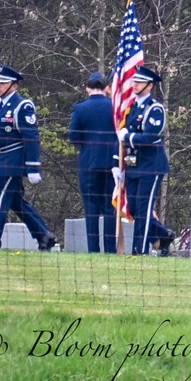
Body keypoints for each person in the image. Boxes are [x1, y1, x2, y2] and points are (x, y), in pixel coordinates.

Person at [0, 65, 58, 250]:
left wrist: (33, 167)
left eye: (3, 83)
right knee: (15, 201)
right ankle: (44, 236)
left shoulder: (22, 106)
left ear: (14, 86)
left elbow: (31, 138)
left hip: (12, 162)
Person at [121, 68, 173, 256]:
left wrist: (129, 136)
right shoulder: (133, 107)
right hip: (134, 165)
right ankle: (162, 233)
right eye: (134, 81)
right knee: (133, 208)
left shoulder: (155, 108)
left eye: (140, 82)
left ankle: (140, 250)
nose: (135, 84)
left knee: (144, 209)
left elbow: (151, 137)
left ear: (150, 85)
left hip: (151, 165)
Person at [67, 72, 118, 253]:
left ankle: (93, 249)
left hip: (88, 163)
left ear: (87, 88)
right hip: (112, 163)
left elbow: (73, 137)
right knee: (110, 207)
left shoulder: (80, 108)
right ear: (106, 88)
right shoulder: (115, 107)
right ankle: (110, 249)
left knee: (91, 208)